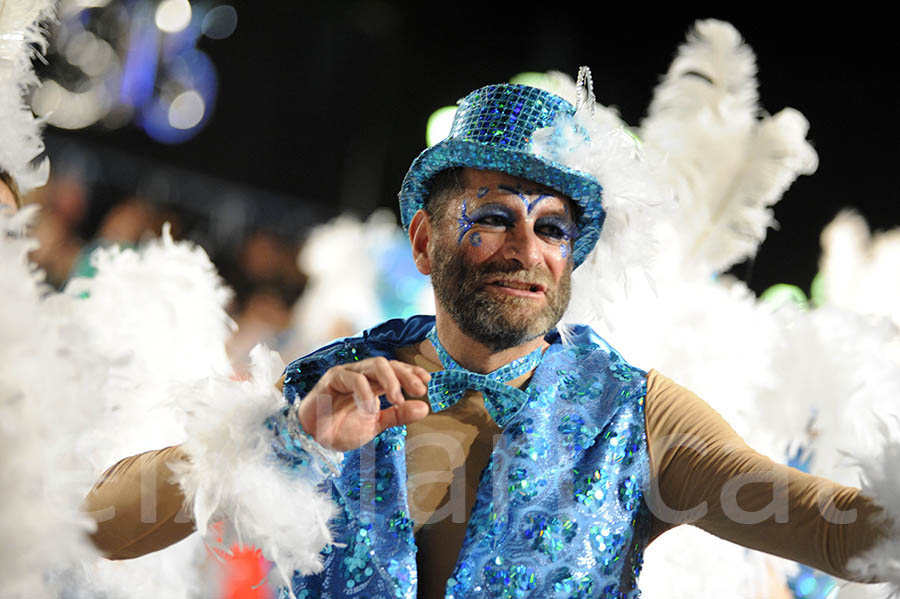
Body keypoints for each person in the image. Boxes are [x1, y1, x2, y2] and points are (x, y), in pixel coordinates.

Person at [83, 78, 898, 598]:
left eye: (552, 227)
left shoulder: (634, 418)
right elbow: (104, 523)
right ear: (425, 244)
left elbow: (834, 528)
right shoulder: (334, 382)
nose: (527, 249)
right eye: (492, 217)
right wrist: (280, 438)